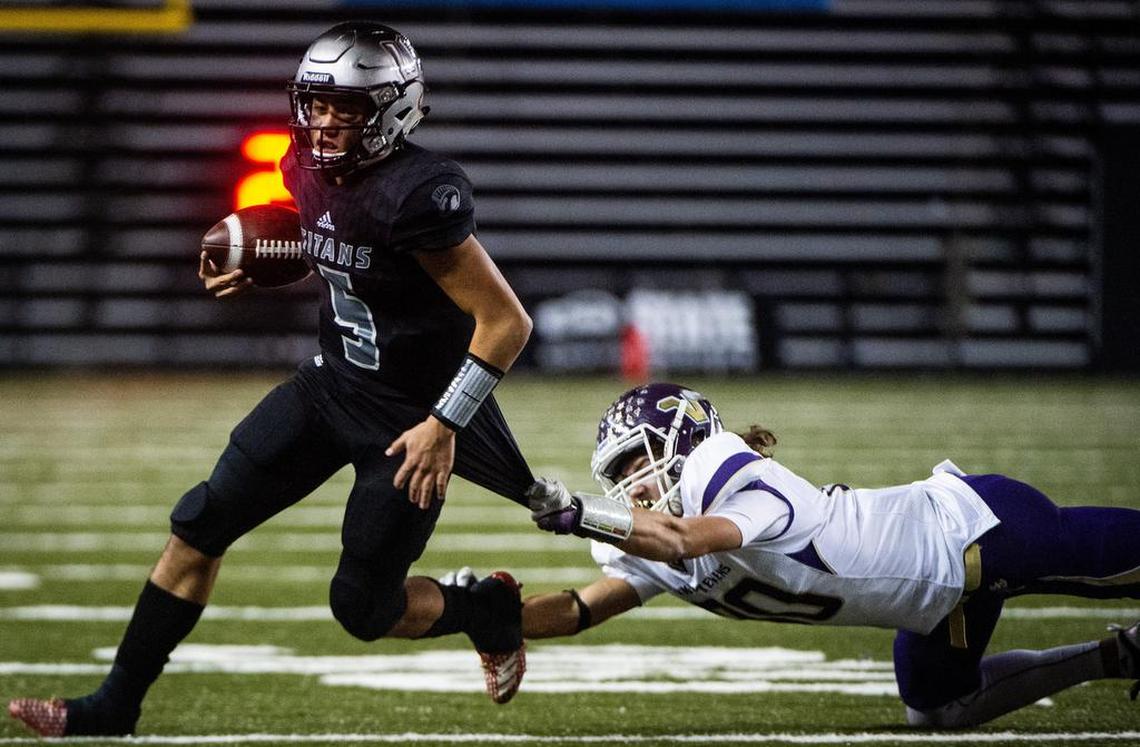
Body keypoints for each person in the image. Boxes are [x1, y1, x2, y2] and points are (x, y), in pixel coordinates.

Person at [9, 22, 534, 737]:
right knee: (199, 521)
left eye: (346, 108)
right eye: (315, 104)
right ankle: (115, 705)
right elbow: (325, 232)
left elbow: (506, 322)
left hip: (408, 422)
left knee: (362, 608)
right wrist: (256, 251)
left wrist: (445, 424)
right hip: (330, 388)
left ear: (396, 107)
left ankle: (486, 610)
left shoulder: (420, 193)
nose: (323, 122)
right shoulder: (303, 163)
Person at [475, 382, 1140, 727]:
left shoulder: (720, 469)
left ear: (685, 441)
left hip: (977, 534)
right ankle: (1118, 655)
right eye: (616, 474)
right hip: (937, 609)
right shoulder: (655, 538)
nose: (630, 486)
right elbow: (578, 611)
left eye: (636, 463)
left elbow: (684, 539)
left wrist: (583, 516)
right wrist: (488, 613)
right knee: (939, 709)